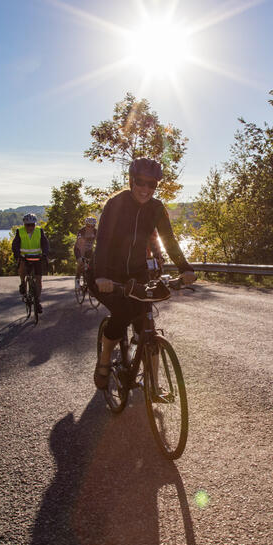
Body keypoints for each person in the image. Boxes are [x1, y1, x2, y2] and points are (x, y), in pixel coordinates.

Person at [91, 158, 196, 389]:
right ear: (131, 180)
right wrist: (100, 275)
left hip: (138, 274)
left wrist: (185, 268)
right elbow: (103, 242)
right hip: (108, 273)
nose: (146, 189)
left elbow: (169, 240)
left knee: (145, 320)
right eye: (141, 182)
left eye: (152, 185)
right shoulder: (115, 204)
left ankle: (154, 384)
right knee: (122, 313)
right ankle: (105, 360)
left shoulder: (157, 208)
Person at [12, 212, 49, 314]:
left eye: (32, 224)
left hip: (37, 258)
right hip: (24, 257)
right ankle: (23, 283)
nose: (30, 227)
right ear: (24, 225)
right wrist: (17, 255)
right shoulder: (20, 232)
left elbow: (45, 244)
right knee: (22, 268)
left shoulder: (39, 231)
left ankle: (37, 301)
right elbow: (15, 245)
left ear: (35, 224)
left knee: (38, 280)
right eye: (28, 225)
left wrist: (45, 254)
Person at [74, 216, 98, 281]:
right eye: (88, 226)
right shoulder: (81, 231)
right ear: (85, 225)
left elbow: (100, 242)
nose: (90, 228)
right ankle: (77, 279)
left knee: (93, 264)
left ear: (94, 226)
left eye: (92, 226)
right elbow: (79, 243)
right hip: (79, 249)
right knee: (80, 262)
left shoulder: (96, 231)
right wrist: (81, 257)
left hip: (89, 250)